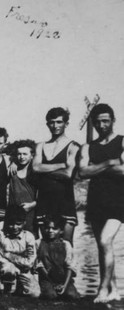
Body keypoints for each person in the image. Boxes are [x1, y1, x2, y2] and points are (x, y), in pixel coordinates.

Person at [79, 103, 124, 303]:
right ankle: (114, 290)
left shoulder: (122, 142)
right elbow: (82, 172)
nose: (101, 125)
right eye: (97, 122)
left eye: (105, 121)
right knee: (102, 246)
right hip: (96, 200)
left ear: (113, 120)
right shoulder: (88, 146)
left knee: (106, 241)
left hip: (118, 201)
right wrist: (108, 163)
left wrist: (95, 168)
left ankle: (102, 289)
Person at [33, 107, 79, 244]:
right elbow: (35, 168)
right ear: (47, 124)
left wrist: (44, 170)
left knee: (65, 245)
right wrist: (61, 165)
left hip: (65, 202)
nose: (55, 126)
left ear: (66, 124)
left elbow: (68, 174)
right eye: (52, 122)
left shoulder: (73, 146)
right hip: (44, 201)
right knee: (46, 245)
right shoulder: (40, 146)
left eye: (59, 122)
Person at [0, 206, 39, 297]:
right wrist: (13, 266)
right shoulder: (0, 235)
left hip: (24, 270)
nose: (14, 227)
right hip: (8, 268)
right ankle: (7, 288)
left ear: (24, 223)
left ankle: (19, 286)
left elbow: (29, 262)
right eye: (11, 224)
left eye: (18, 224)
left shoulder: (29, 237)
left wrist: (9, 255)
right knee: (8, 268)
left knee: (35, 294)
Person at [36, 215, 79, 300]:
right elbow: (39, 266)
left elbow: (70, 266)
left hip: (63, 278)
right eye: (47, 228)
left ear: (61, 231)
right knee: (51, 295)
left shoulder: (66, 244)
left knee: (71, 295)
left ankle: (65, 288)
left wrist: (64, 285)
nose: (50, 231)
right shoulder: (38, 243)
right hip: (46, 278)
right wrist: (53, 284)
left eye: (54, 229)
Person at [9, 140, 38, 237]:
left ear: (32, 155)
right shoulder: (12, 170)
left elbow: (44, 196)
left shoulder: (35, 173)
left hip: (30, 214)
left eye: (25, 154)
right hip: (14, 215)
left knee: (31, 241)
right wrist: (12, 162)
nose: (21, 157)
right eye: (19, 154)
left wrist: (32, 205)